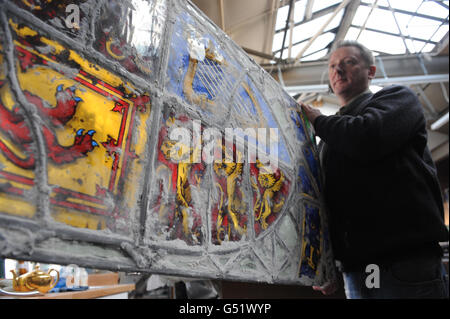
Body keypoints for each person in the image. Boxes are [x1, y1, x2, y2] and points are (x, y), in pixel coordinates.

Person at [299, 40, 449, 299]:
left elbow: (368, 136)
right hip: (358, 269)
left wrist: (318, 120)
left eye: (349, 62)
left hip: (404, 263)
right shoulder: (330, 142)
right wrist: (323, 260)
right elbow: (326, 202)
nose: (339, 70)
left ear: (371, 71)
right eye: (333, 66)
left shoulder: (398, 99)